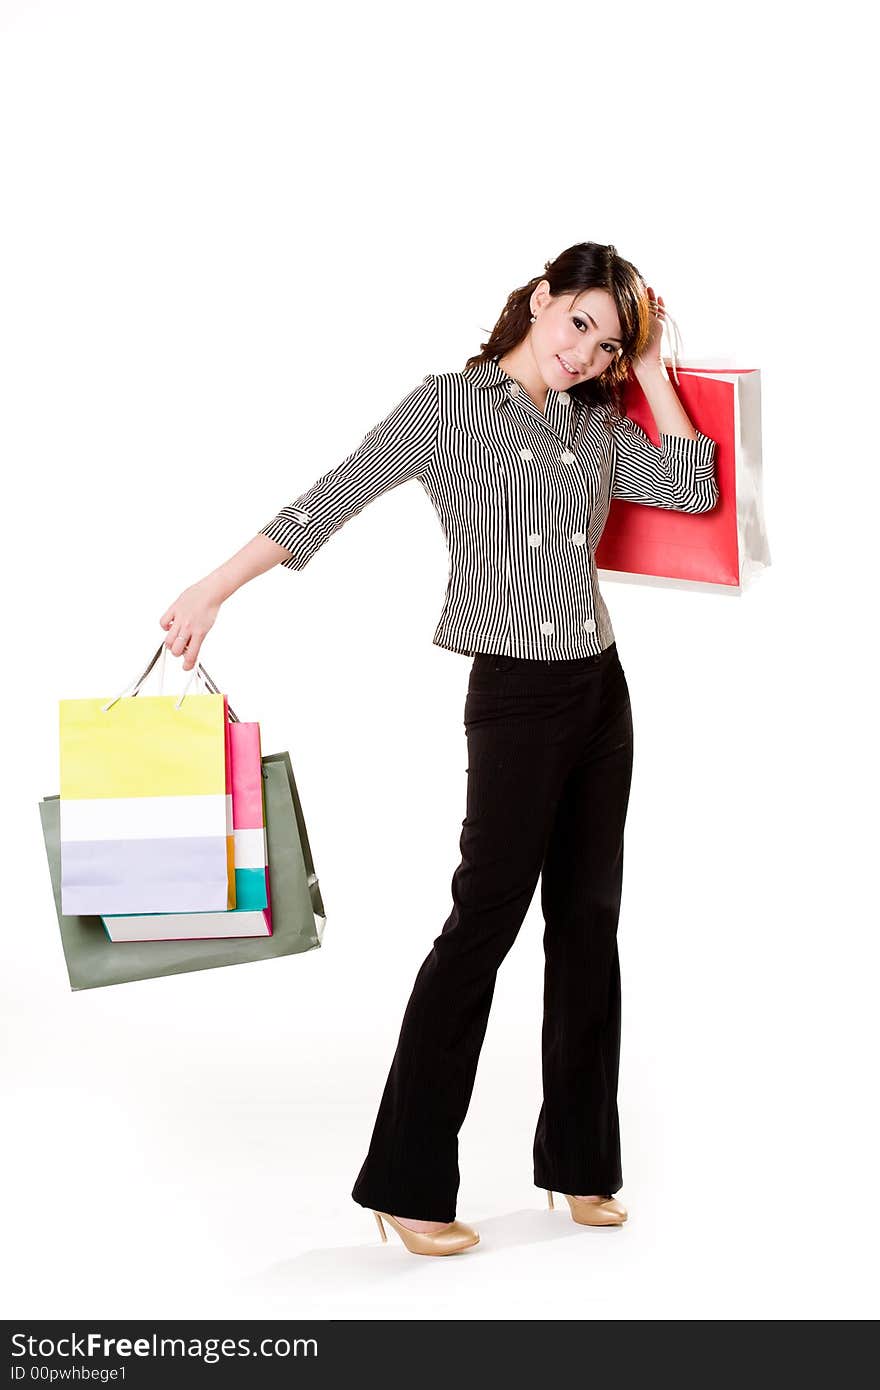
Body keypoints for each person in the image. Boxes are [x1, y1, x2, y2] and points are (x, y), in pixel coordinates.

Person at [159, 241, 719, 1258]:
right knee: (480, 929)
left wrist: (647, 372)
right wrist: (210, 590)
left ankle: (582, 1166)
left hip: (600, 687)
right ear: (540, 298)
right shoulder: (446, 408)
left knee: (588, 921)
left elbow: (689, 487)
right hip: (512, 697)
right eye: (580, 323)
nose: (585, 351)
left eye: (606, 342)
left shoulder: (595, 418)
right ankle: (408, 1181)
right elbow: (324, 500)